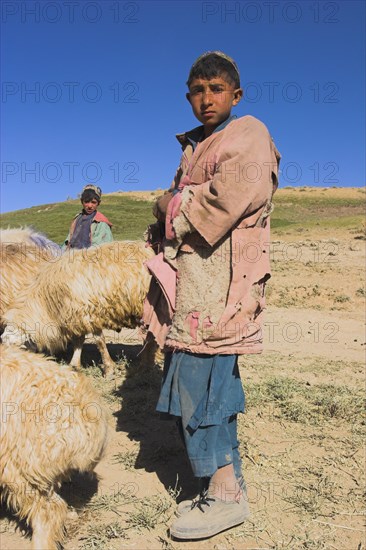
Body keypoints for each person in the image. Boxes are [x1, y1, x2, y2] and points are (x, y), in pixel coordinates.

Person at [143, 51, 281, 540]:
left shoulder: (247, 133)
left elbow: (224, 201)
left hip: (222, 287)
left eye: (216, 89)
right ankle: (219, 480)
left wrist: (167, 204)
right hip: (195, 288)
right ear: (188, 96)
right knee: (199, 382)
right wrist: (171, 208)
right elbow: (187, 205)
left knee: (204, 389)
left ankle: (225, 497)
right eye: (197, 90)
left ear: (236, 95)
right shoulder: (195, 146)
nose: (206, 98)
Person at [62, 184, 113, 249]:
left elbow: (102, 247)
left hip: (91, 256)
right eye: (86, 202)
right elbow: (68, 241)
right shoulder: (77, 218)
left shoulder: (101, 222)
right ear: (81, 202)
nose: (89, 206)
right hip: (72, 256)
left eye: (93, 202)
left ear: (98, 203)